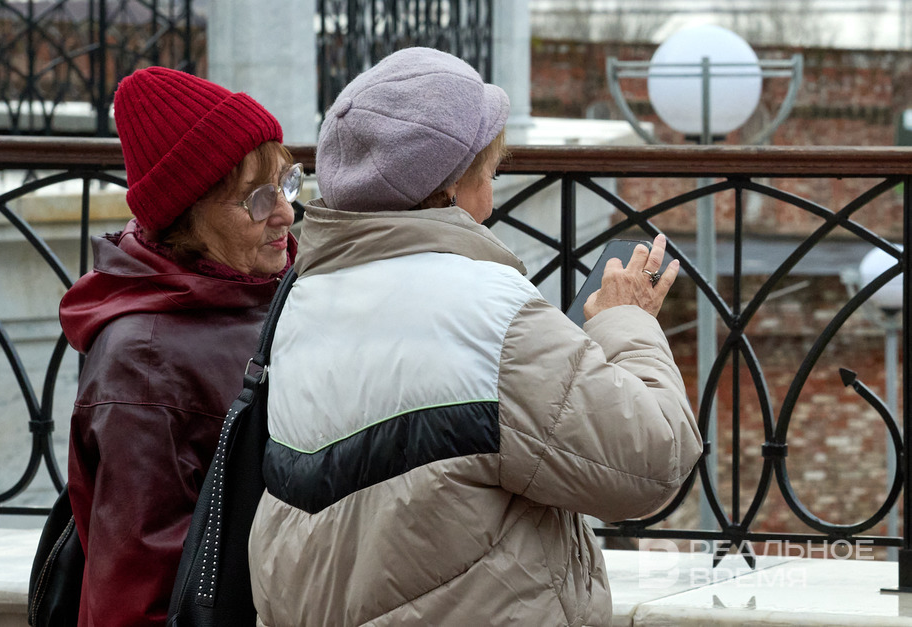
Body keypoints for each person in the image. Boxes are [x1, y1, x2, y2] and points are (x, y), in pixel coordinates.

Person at [248, 47, 702, 626]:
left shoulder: (303, 296)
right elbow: (651, 460)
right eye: (489, 170)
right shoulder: (488, 310)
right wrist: (627, 318)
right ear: (451, 187)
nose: (493, 185)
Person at [58, 66, 301, 627]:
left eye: (288, 184)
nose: (286, 213)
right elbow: (137, 595)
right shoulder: (144, 364)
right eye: (258, 199)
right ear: (188, 216)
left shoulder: (271, 291)